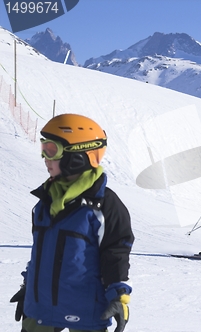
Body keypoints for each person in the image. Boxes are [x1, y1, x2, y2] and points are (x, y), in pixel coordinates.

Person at [9, 114, 134, 332]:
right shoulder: (45, 201)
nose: (44, 158)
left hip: (85, 313)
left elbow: (116, 253)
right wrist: (28, 286)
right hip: (39, 310)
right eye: (43, 149)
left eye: (51, 150)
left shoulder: (104, 205)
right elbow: (40, 254)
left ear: (77, 156)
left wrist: (119, 296)